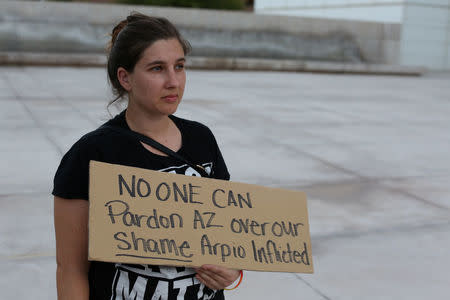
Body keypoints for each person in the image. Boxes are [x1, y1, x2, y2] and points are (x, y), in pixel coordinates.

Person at [53, 12, 240, 300]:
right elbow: (71, 271)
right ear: (125, 78)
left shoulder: (202, 139)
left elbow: (227, 238)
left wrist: (232, 272)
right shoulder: (91, 154)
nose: (173, 81)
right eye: (157, 69)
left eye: (179, 67)